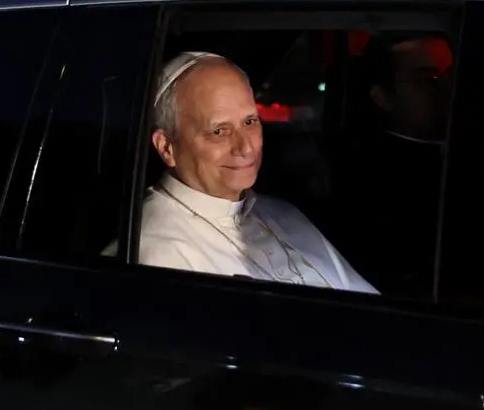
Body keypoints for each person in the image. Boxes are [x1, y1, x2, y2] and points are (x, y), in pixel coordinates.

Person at [139, 51, 378, 294]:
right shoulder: (157, 252)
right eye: (219, 131)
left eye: (249, 122)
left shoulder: (283, 212)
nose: (245, 148)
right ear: (166, 147)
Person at [330, 34, 453, 298]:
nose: (447, 88)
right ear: (383, 97)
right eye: (427, 79)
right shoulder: (373, 181)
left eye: (451, 74)